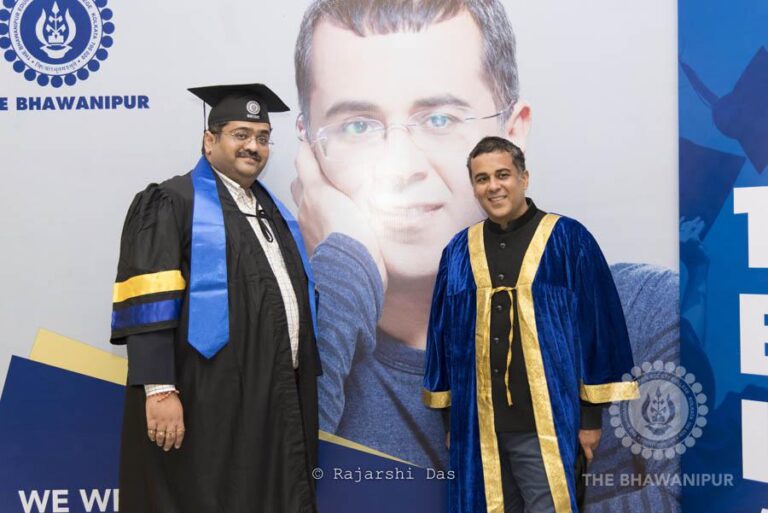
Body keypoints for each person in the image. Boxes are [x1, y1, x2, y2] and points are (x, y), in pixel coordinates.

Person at [290, 0, 678, 485]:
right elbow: (278, 482)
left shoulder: (647, 318)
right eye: (357, 126)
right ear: (307, 152)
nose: (400, 167)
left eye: (439, 119)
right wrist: (347, 268)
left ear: (512, 135)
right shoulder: (271, 338)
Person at [109, 83, 320, 513]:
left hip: (271, 394)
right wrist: (159, 390)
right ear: (210, 140)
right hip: (204, 394)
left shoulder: (271, 212)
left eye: (263, 138)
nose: (253, 146)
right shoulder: (172, 202)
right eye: (241, 134)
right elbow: (148, 302)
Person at [423, 136, 638, 513]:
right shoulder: (458, 252)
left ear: (524, 177)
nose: (493, 186)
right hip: (477, 425)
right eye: (482, 178)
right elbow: (442, 338)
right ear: (473, 187)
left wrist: (590, 418)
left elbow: (598, 328)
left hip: (546, 423)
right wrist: (450, 421)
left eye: (503, 174)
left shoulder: (568, 241)